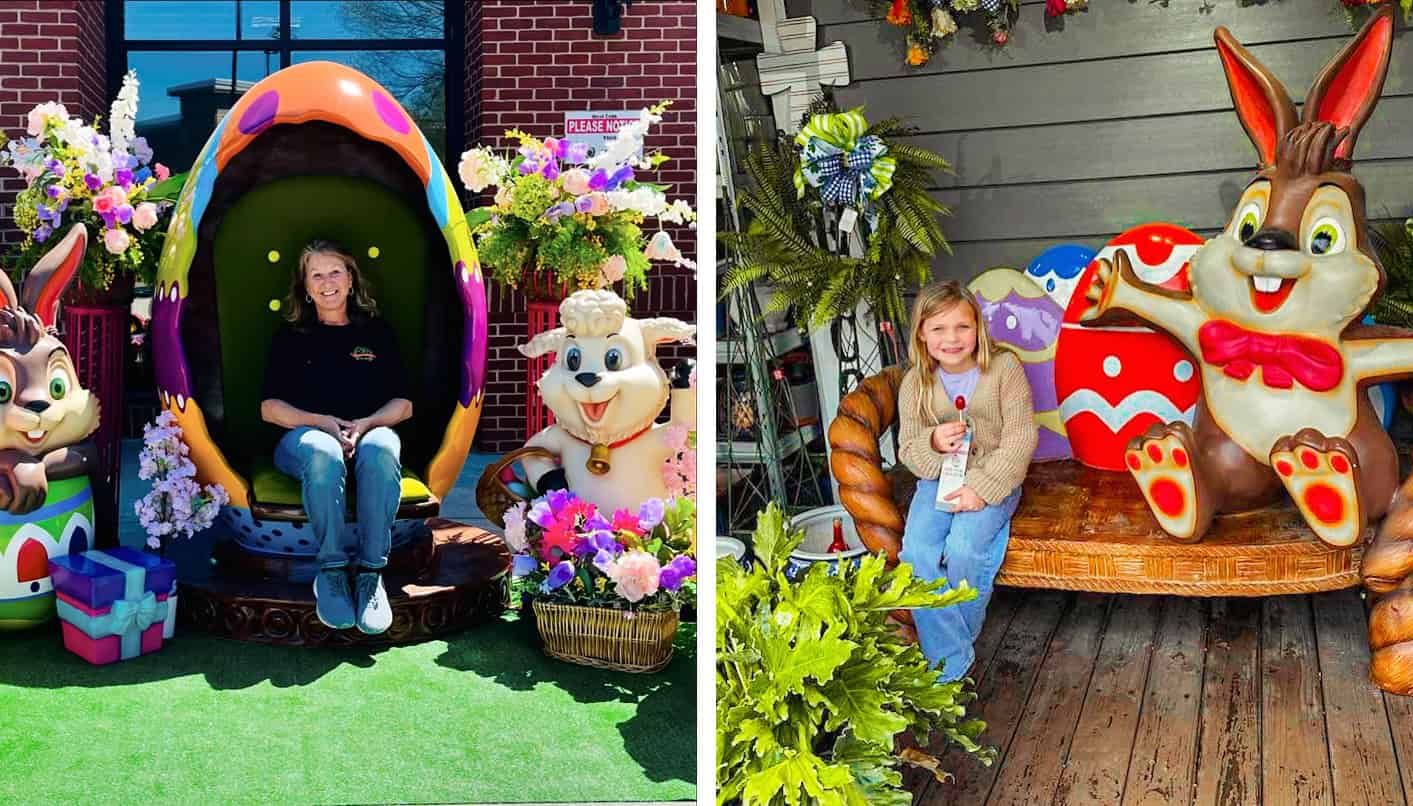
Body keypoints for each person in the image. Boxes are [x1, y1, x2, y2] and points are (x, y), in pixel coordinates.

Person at [260, 239, 412, 634]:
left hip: (367, 433)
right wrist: (321, 422)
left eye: (335, 272)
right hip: (305, 440)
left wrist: (366, 425)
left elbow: (403, 405)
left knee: (383, 447)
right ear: (306, 287)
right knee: (323, 451)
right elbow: (270, 409)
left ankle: (370, 575)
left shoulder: (376, 332)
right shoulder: (290, 336)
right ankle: (331, 572)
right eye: (317, 275)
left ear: (350, 279)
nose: (327, 282)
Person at [896, 280, 1038, 681]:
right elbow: (908, 449)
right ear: (921, 335)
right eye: (938, 329)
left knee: (963, 548)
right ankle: (955, 655)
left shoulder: (1004, 370)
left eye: (962, 326)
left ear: (978, 327)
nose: (952, 338)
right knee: (917, 552)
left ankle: (946, 665)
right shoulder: (915, 384)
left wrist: (983, 489)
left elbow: (1021, 438)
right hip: (937, 480)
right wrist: (932, 442)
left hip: (995, 477)